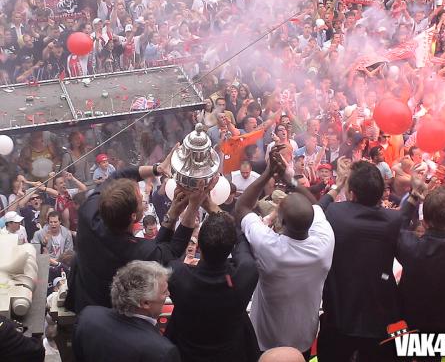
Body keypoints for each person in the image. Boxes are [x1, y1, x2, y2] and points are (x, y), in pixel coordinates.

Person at [65, 147, 204, 313]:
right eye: (140, 199)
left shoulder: (89, 210)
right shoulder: (131, 250)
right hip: (109, 315)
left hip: (82, 299)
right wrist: (193, 206)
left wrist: (157, 169)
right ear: (133, 216)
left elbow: (117, 176)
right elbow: (172, 251)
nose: (143, 198)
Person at [236, 145, 335, 357]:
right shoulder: (325, 242)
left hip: (264, 340)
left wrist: (268, 174)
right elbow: (313, 205)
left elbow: (242, 208)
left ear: (280, 221)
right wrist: (290, 179)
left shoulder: (269, 246)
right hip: (303, 338)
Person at [317, 160, 421, 361]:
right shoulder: (392, 220)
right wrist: (414, 196)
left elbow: (316, 210)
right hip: (380, 314)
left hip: (340, 312)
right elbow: (399, 220)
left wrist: (336, 186)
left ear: (352, 193)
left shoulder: (336, 213)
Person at [166, 197, 260, 362]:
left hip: (186, 354)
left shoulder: (179, 275)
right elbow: (240, 237)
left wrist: (192, 205)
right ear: (231, 248)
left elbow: (167, 251)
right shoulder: (245, 274)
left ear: (198, 246)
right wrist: (209, 204)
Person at [397, 185, 445, 335]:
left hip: (411, 318)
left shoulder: (410, 247)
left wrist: (413, 197)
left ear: (424, 223)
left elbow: (397, 227)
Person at [73, 260, 181, 362]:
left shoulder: (87, 317)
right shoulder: (162, 352)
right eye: (164, 291)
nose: (168, 294)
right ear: (145, 303)